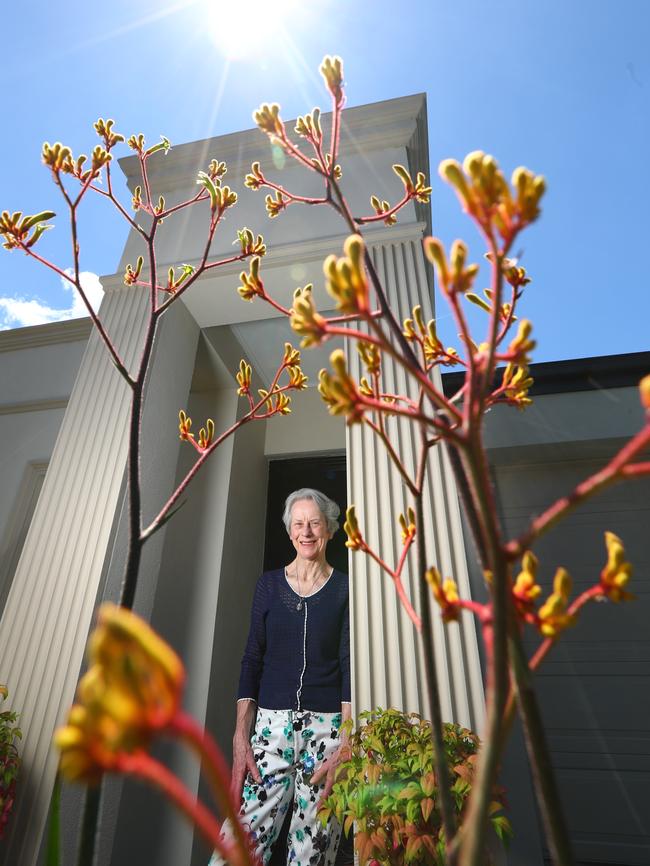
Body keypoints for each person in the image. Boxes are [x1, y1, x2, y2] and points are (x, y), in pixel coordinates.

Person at [210, 488, 351, 866]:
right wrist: (242, 734)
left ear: (330, 530)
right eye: (299, 523)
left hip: (327, 732)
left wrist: (346, 740)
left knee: (313, 852)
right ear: (290, 532)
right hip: (270, 729)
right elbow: (251, 658)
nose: (306, 531)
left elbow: (349, 662)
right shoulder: (268, 586)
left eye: (315, 523)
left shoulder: (345, 588)